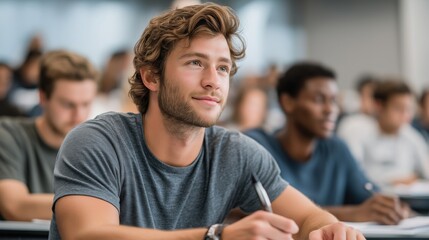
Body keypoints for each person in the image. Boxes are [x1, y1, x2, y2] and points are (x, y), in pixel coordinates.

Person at [50, 3, 364, 240]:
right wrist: (215, 235)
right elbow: (87, 234)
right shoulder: (98, 142)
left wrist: (330, 230)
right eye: (196, 63)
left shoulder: (236, 154)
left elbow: (309, 218)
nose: (213, 81)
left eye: (223, 68)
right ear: (151, 76)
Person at [245, 62, 410, 225]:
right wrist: (351, 214)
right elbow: (254, 212)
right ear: (288, 102)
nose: (330, 109)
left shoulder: (336, 148)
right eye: (319, 100)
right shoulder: (257, 147)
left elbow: (368, 197)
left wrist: (388, 208)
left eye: (333, 101)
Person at [0, 50, 98, 221]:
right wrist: (99, 204)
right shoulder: (8, 135)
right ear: (43, 97)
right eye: (68, 104)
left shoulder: (96, 148)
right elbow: (15, 206)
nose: (79, 115)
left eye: (86, 104)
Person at [338, 79, 429, 187]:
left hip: (409, 198)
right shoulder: (356, 128)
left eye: (408, 109)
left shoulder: (411, 135)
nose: (405, 115)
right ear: (379, 106)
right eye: (398, 108)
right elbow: (351, 175)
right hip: (369, 196)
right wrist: (392, 181)